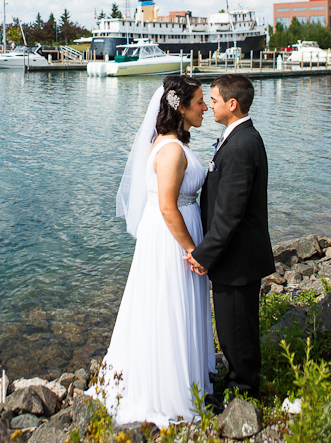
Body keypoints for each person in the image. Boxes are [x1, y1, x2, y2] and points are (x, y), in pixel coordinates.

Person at [87, 75, 216, 427]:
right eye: (200, 101)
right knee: (169, 306)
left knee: (163, 305)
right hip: (172, 239)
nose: (205, 107)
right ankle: (169, 393)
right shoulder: (171, 149)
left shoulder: (166, 141)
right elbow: (167, 206)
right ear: (181, 108)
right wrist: (194, 250)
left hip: (168, 236)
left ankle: (177, 379)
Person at [185, 74, 274, 404]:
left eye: (214, 100)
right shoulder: (237, 137)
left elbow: (229, 213)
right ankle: (238, 379)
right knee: (234, 325)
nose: (210, 105)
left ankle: (244, 393)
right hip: (237, 255)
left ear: (232, 105)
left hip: (237, 256)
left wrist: (203, 253)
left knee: (236, 328)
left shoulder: (240, 145)